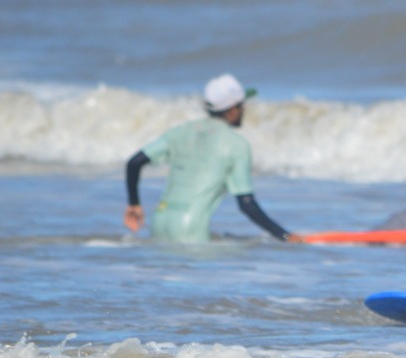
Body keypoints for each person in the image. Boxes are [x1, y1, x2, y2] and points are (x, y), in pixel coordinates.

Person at [124, 74, 297, 243]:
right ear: (232, 109)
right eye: (241, 105)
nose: (244, 110)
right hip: (190, 228)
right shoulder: (236, 144)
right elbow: (247, 205)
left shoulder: (180, 131)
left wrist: (134, 205)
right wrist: (286, 237)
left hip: (158, 222)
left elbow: (134, 163)